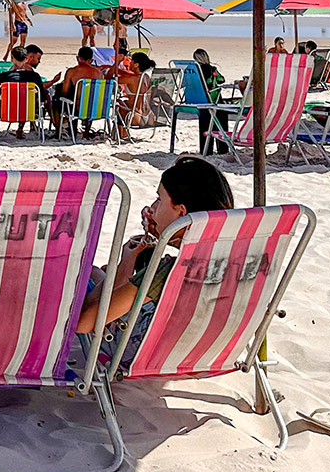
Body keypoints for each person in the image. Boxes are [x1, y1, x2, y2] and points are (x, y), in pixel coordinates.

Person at [76, 157, 234, 343]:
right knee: (97, 273)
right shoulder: (234, 258)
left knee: (90, 277)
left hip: (137, 349)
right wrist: (161, 238)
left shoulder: (170, 271)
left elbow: (85, 322)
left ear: (181, 212)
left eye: (159, 199)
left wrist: (126, 262)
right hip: (208, 349)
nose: (152, 207)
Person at [53, 45, 106, 133]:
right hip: (95, 109)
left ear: (78, 58)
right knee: (87, 99)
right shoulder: (99, 73)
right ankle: (86, 132)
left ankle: (60, 130)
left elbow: (64, 91)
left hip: (77, 109)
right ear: (91, 60)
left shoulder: (72, 71)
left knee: (57, 100)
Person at [0, 46, 47, 138]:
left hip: (6, 113)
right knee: (26, 101)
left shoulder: (4, 77)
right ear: (26, 59)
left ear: (12, 59)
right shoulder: (34, 76)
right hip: (30, 112)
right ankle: (20, 129)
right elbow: (42, 97)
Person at [119, 52, 156, 128]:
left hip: (135, 116)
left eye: (131, 61)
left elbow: (109, 78)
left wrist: (116, 64)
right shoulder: (146, 77)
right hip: (149, 116)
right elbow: (129, 75)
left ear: (136, 65)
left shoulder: (131, 79)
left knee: (118, 103)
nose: (129, 63)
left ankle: (122, 135)